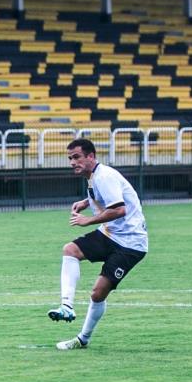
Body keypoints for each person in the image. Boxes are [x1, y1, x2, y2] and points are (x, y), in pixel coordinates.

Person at [47, 138, 148, 350]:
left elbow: (119, 209)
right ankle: (66, 306)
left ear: (91, 156)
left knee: (98, 293)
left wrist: (87, 220)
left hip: (131, 243)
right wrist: (86, 202)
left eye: (77, 157)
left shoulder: (104, 176)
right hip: (110, 234)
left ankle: (83, 338)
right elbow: (106, 197)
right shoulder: (94, 176)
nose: (73, 162)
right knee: (70, 250)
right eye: (70, 159)